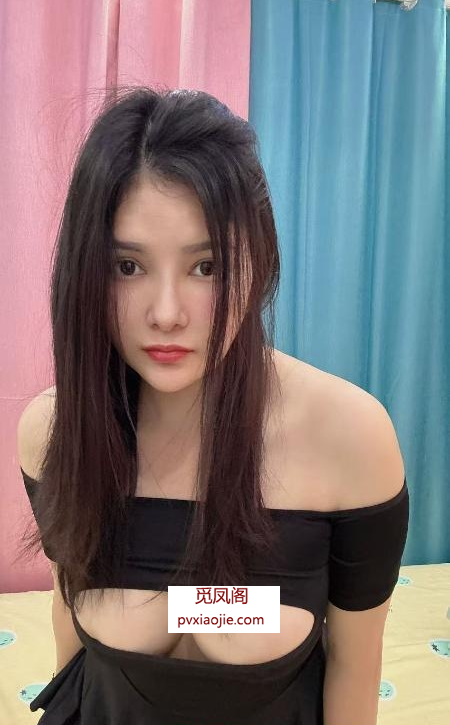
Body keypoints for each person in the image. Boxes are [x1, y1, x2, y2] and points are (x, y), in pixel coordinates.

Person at [16, 85, 409, 725]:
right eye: (127, 266)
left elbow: (354, 667)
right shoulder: (54, 432)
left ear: (260, 260)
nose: (167, 314)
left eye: (207, 267)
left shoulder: (351, 439)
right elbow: (72, 640)